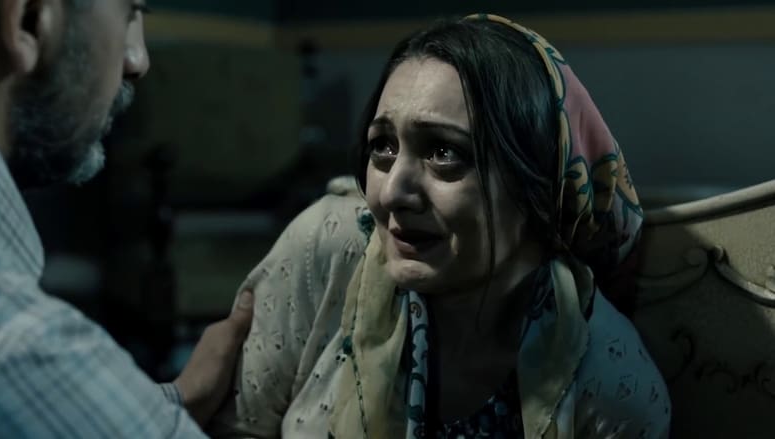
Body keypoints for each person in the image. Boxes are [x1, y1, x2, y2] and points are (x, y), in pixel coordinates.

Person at [211, 13, 671, 439]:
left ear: (539, 187)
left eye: (443, 153)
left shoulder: (610, 386)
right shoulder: (331, 248)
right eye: (383, 147)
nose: (392, 193)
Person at [0, 0, 253, 436]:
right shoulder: (23, 343)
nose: (138, 60)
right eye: (129, 12)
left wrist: (179, 398)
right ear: (30, 19)